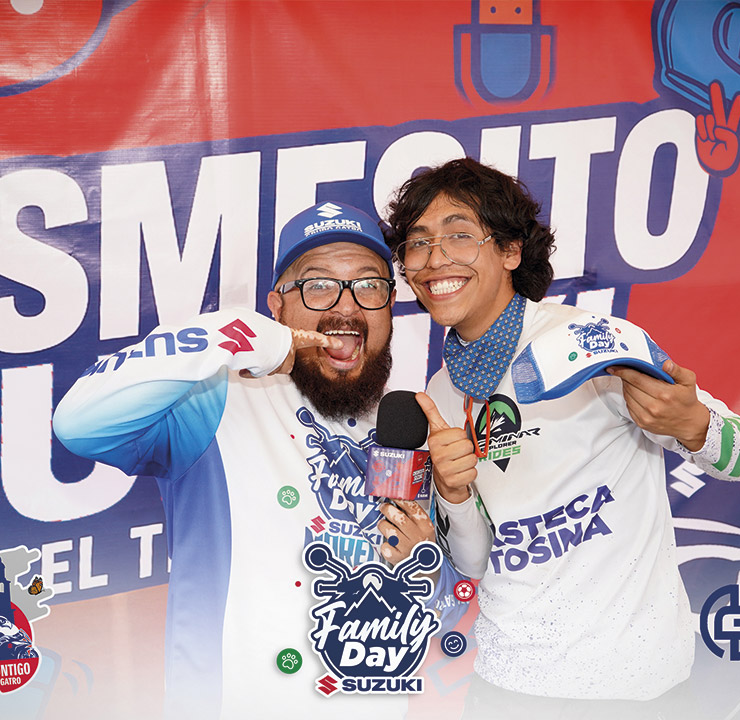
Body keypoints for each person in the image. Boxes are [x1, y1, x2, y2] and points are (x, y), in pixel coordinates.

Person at [52, 201, 464, 719]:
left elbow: (447, 615)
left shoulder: (406, 429)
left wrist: (425, 568)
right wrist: (236, 336)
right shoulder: (214, 400)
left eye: (368, 285)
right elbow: (78, 424)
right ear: (277, 308)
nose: (347, 307)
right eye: (318, 285)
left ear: (389, 304)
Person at [384, 158, 740, 719]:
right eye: (418, 243)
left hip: (635, 691)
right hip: (506, 686)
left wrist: (692, 425)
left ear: (511, 251)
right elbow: (476, 563)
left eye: (459, 235)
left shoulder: (589, 342)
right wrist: (455, 495)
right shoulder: (440, 391)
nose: (435, 258)